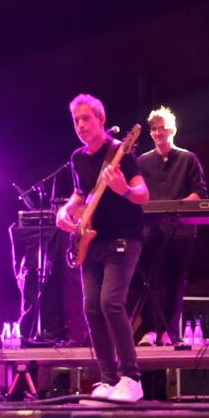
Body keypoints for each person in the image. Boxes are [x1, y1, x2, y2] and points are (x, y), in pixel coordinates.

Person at [55, 94, 149, 401]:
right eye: (76, 120)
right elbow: (80, 195)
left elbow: (142, 194)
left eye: (86, 119)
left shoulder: (120, 151)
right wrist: (65, 211)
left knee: (111, 302)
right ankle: (109, 379)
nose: (80, 125)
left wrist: (124, 189)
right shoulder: (78, 158)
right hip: (91, 240)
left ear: (101, 120)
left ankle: (132, 378)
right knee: (91, 307)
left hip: (123, 237)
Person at [131, 106, 209, 345]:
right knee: (149, 280)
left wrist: (177, 208)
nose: (157, 132)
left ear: (172, 130)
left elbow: (200, 192)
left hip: (181, 230)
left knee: (175, 280)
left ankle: (169, 332)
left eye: (162, 127)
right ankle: (150, 330)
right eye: (153, 129)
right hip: (150, 230)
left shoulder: (187, 158)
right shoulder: (142, 161)